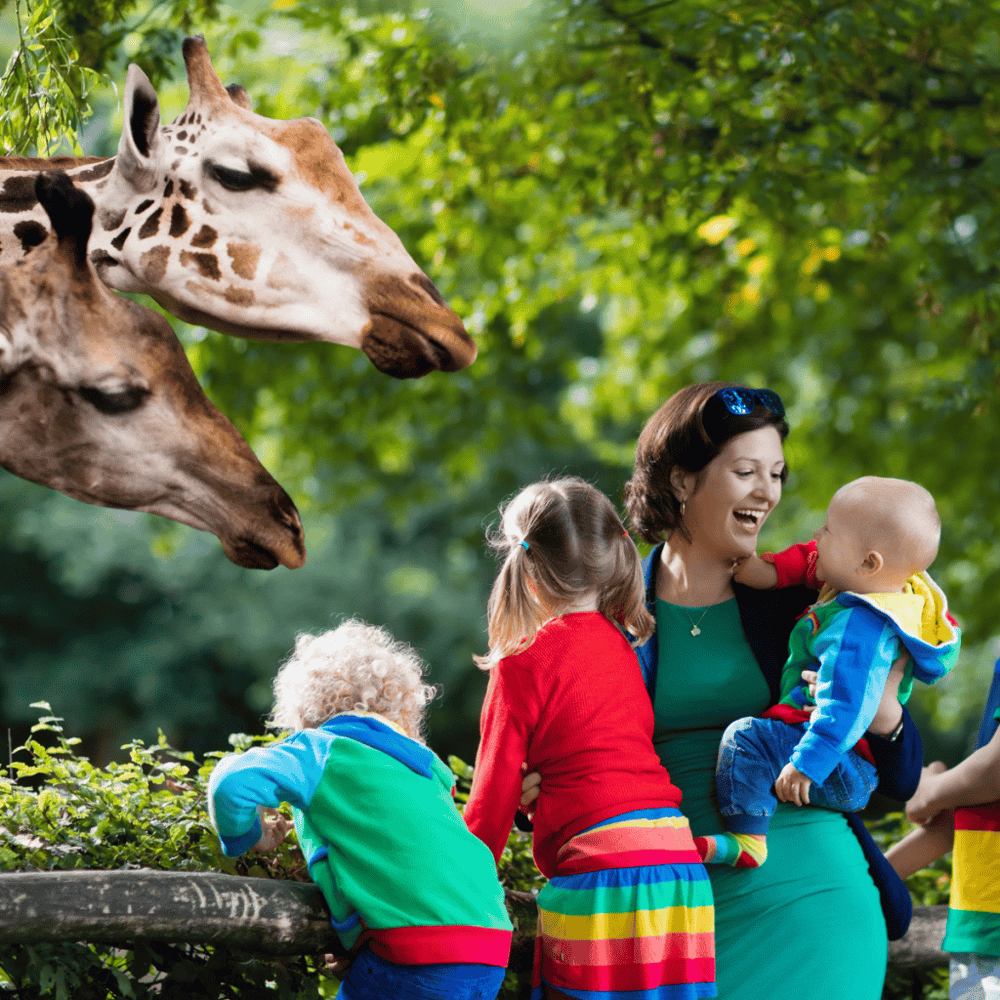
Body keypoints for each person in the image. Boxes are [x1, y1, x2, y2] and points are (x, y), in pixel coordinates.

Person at [519, 383, 924, 999]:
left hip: (812, 905)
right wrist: (535, 789)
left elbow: (900, 779)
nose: (768, 492)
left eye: (776, 474)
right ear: (682, 481)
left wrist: (885, 710)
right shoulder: (604, 614)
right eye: (746, 472)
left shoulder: (811, 604)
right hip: (660, 915)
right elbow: (550, 752)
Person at [463, 477, 716, 1000]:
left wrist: (454, 885)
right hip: (679, 869)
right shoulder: (623, 648)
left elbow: (490, 801)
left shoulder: (521, 662)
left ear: (527, 569)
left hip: (602, 874)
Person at [207, 620, 512, 1000]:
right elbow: (410, 866)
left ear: (303, 709)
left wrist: (249, 837)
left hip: (417, 951)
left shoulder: (323, 748)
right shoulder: (427, 771)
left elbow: (232, 783)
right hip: (490, 945)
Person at [697, 476, 960, 870]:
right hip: (837, 757)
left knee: (746, 738)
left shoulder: (860, 627)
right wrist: (765, 570)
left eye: (828, 529)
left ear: (869, 563)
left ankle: (748, 838)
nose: (816, 534)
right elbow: (810, 560)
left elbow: (848, 706)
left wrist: (810, 763)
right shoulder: (871, 584)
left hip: (837, 762)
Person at [885, 656, 1000, 1000]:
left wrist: (928, 791)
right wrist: (870, 884)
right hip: (981, 924)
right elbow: (975, 807)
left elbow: (993, 775)